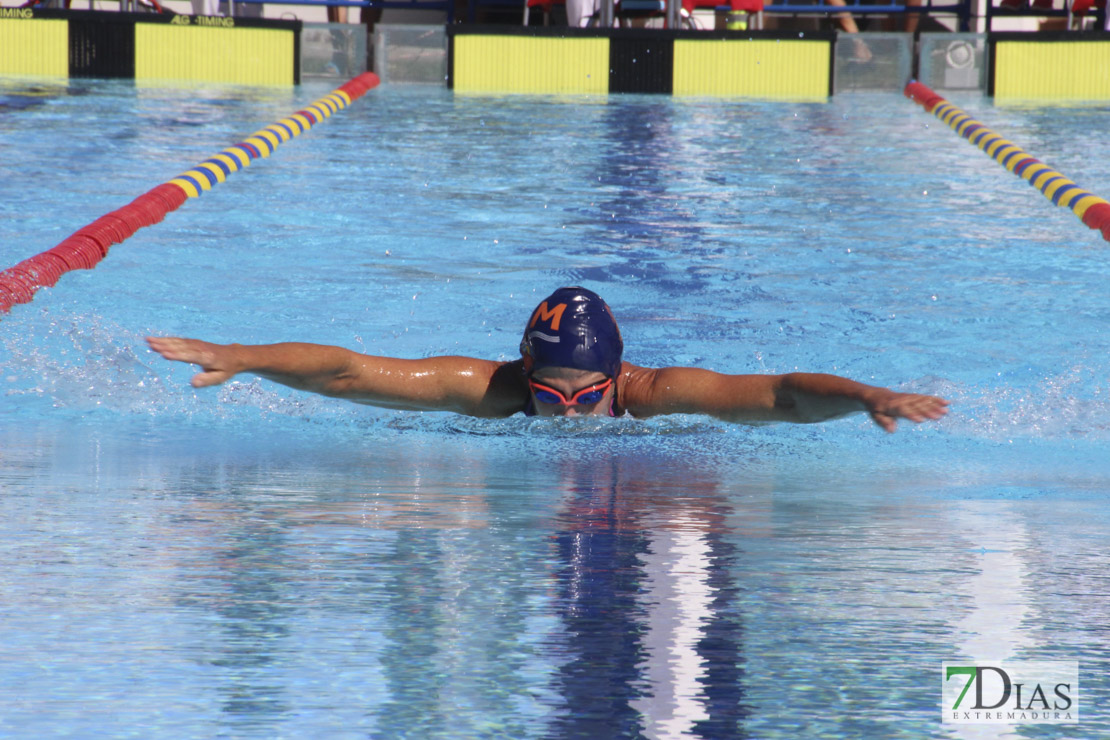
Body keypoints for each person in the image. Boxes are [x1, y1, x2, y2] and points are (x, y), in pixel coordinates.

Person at [146, 286, 948, 432]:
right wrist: (243, 356)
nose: (566, 416)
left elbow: (777, 396)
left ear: (617, 378)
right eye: (549, 395)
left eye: (585, 398)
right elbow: (352, 371)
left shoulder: (655, 396)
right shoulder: (491, 390)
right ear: (523, 371)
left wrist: (866, 394)